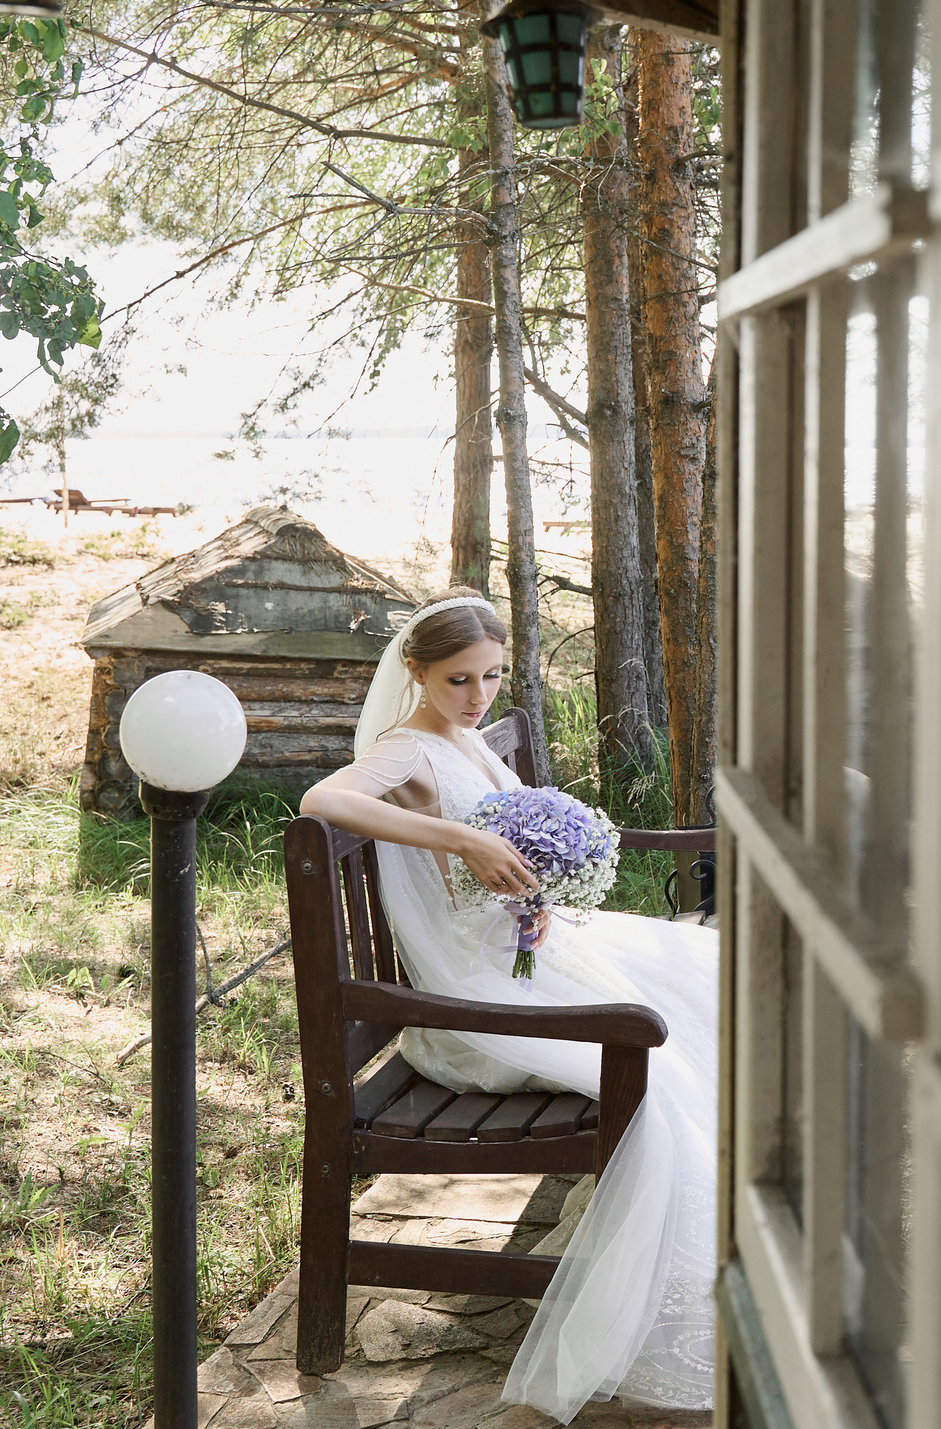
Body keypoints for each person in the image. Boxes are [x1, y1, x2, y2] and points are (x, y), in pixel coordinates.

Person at [299, 590, 717, 1417]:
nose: (478, 695)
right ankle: (643, 1291)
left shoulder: (465, 736)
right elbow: (322, 802)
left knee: (706, 977)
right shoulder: (405, 748)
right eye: (458, 679)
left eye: (491, 675)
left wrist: (538, 891)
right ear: (416, 670)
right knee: (667, 1068)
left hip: (519, 957)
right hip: (473, 1004)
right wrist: (461, 837)